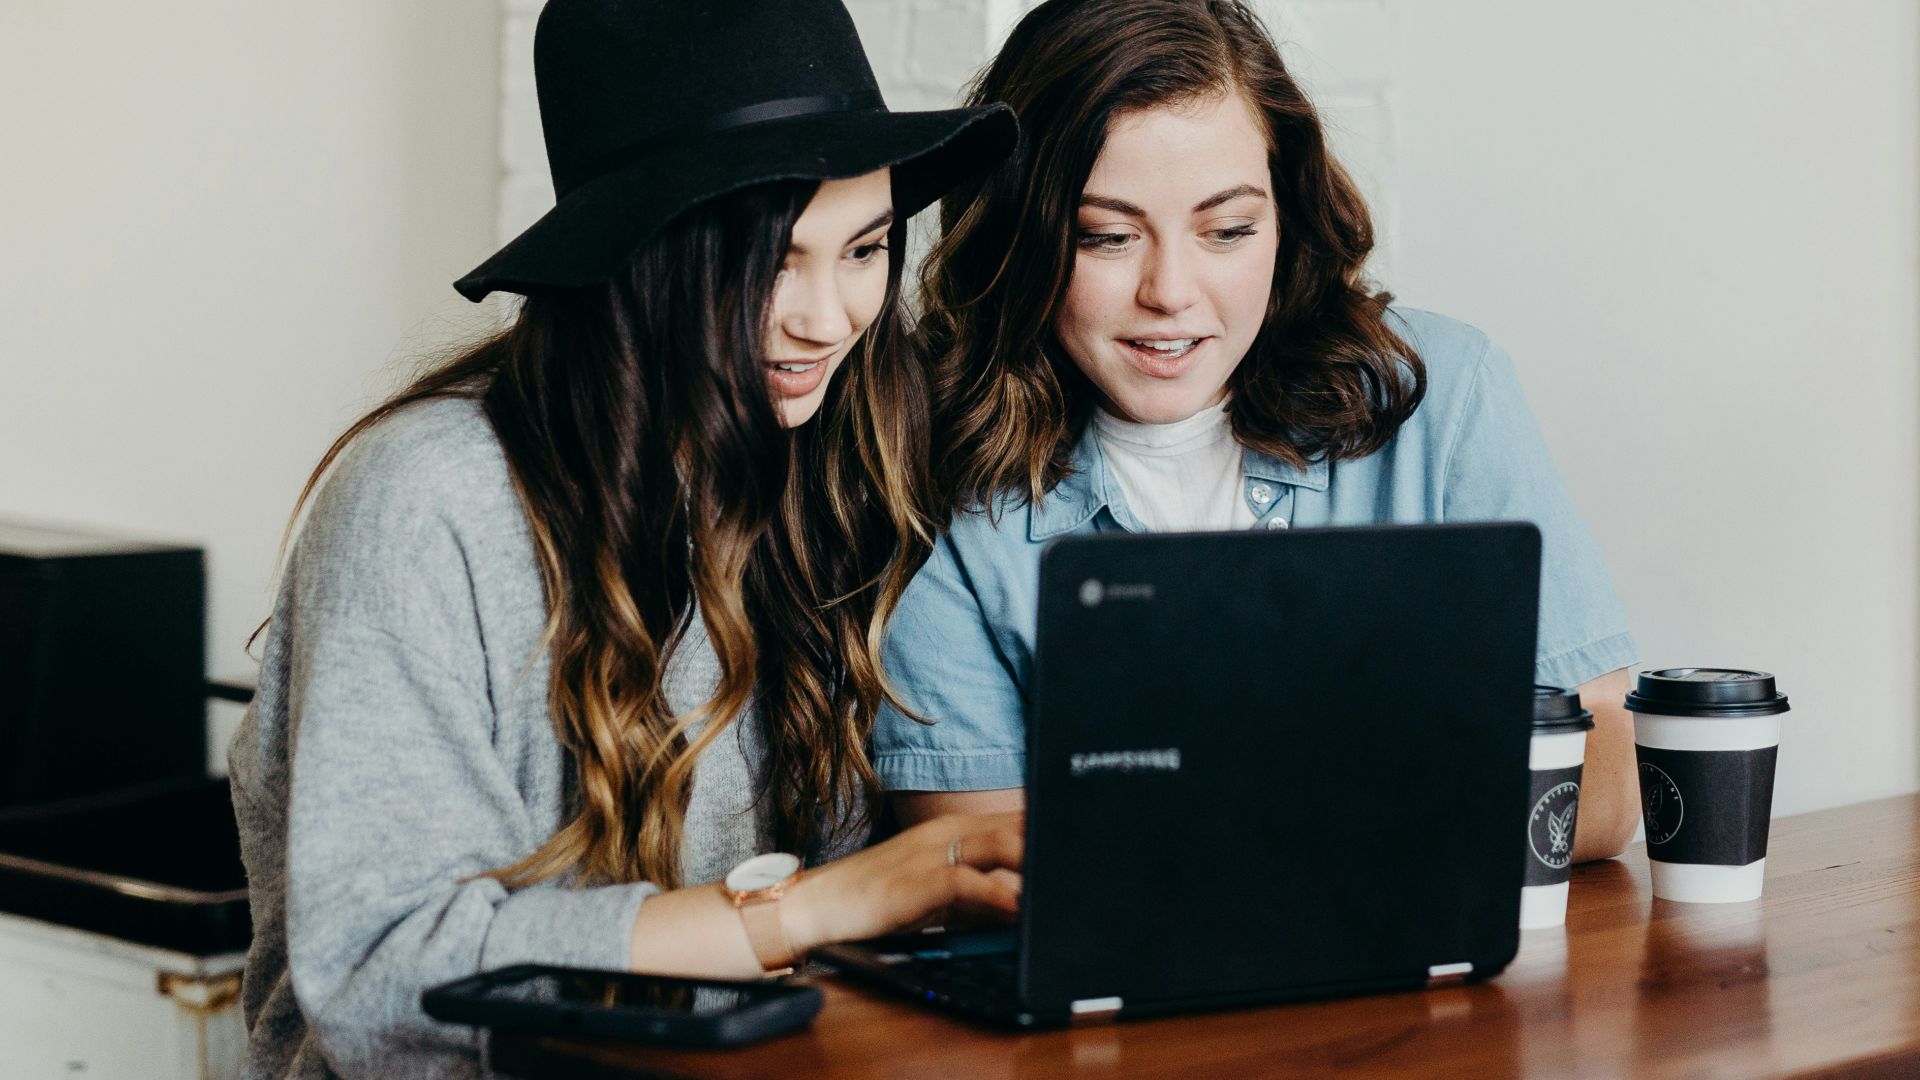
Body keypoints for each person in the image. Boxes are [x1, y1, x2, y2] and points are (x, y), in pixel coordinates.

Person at [226, 1, 1021, 1075]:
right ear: (640, 254)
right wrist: (819, 906)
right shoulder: (428, 500)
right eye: (773, 261)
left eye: (866, 248)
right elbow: (382, 970)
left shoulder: (826, 465)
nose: (829, 317)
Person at [874, 0, 1641, 862]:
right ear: (1022, 236)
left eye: (1228, 230)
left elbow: (1605, 783)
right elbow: (978, 862)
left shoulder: (1442, 396)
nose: (1171, 291)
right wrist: (1390, 782)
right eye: (1108, 237)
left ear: (1287, 214)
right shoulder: (932, 472)